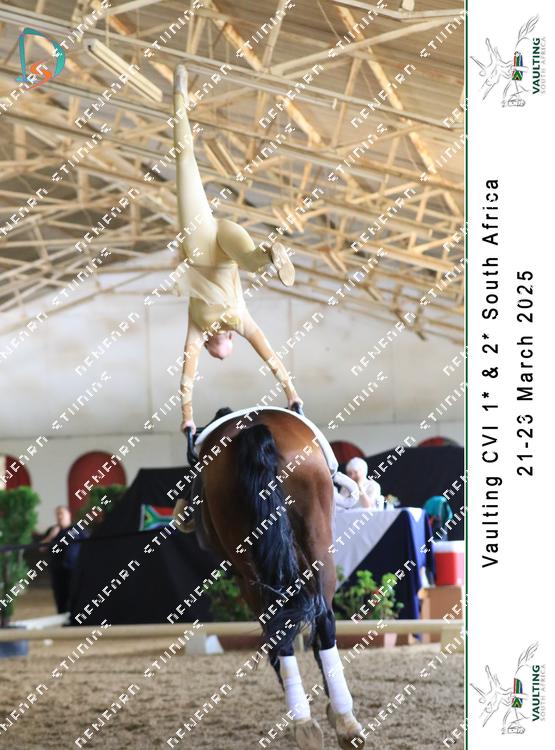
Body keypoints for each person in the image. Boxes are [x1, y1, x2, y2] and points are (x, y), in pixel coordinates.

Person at [171, 64, 302, 435]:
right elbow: (268, 354)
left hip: (202, 243)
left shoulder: (200, 327)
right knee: (248, 259)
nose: (211, 347)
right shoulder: (239, 320)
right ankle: (268, 256)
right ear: (227, 338)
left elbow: (188, 374)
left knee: (185, 160)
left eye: (211, 349)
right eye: (217, 347)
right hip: (218, 244)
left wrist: (187, 415)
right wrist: (291, 393)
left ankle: (179, 96)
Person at [40, 506, 84, 614]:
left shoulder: (77, 529)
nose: (59, 516)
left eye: (62, 513)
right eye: (57, 514)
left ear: (69, 515)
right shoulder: (52, 530)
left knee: (74, 595)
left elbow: (89, 544)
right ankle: (62, 617)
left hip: (74, 569)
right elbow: (41, 548)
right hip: (57, 570)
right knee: (60, 597)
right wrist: (51, 536)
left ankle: (75, 618)